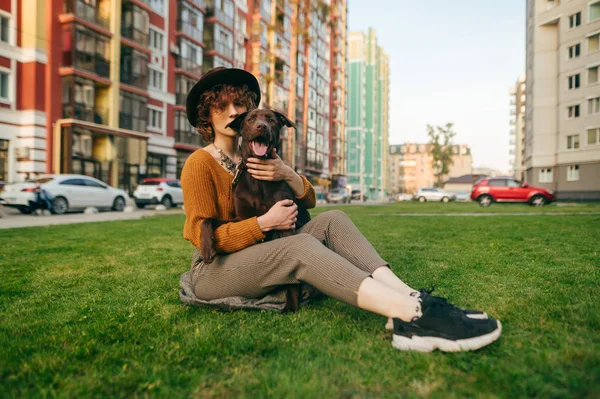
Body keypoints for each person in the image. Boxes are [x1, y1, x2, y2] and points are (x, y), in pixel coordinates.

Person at [181, 67, 501, 352]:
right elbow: (201, 237)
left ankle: (411, 296)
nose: (232, 111)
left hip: (257, 252)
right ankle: (411, 316)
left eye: (239, 104)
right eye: (221, 106)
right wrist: (264, 223)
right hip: (214, 270)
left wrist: (288, 174)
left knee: (333, 219)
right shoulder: (200, 163)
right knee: (300, 246)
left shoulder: (258, 157)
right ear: (206, 115)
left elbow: (309, 201)